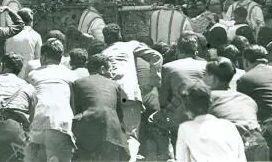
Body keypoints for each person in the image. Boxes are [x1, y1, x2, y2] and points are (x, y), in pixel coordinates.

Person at [101, 23, 163, 162]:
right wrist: (153, 81)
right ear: (120, 35)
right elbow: (156, 56)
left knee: (114, 139)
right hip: (130, 95)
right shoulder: (130, 45)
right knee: (131, 136)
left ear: (105, 40)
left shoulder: (103, 54)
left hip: (111, 98)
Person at [205, 58, 267, 161]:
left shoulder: (206, 98)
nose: (202, 78)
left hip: (231, 146)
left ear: (212, 78)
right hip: (257, 143)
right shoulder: (246, 98)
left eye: (205, 74)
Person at [27, 38, 78, 162]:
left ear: (43, 57)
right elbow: (74, 104)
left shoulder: (33, 74)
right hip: (61, 123)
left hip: (37, 122)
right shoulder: (71, 75)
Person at [71, 53, 129, 161]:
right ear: (102, 69)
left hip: (87, 128)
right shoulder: (115, 85)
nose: (112, 74)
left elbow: (75, 109)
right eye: (110, 70)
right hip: (111, 131)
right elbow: (120, 114)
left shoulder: (77, 83)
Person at [155, 32, 207, 147]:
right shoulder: (206, 65)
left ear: (178, 50)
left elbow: (163, 98)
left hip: (179, 119)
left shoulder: (168, 67)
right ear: (196, 51)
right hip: (203, 117)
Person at [175, 79, 247, 162]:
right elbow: (241, 157)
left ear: (187, 109)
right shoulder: (228, 125)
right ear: (210, 103)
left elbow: (182, 159)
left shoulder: (185, 128)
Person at [4, 7, 42, 75]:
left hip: (9, 74)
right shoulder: (36, 36)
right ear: (31, 21)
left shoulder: (8, 34)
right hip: (28, 76)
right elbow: (38, 60)